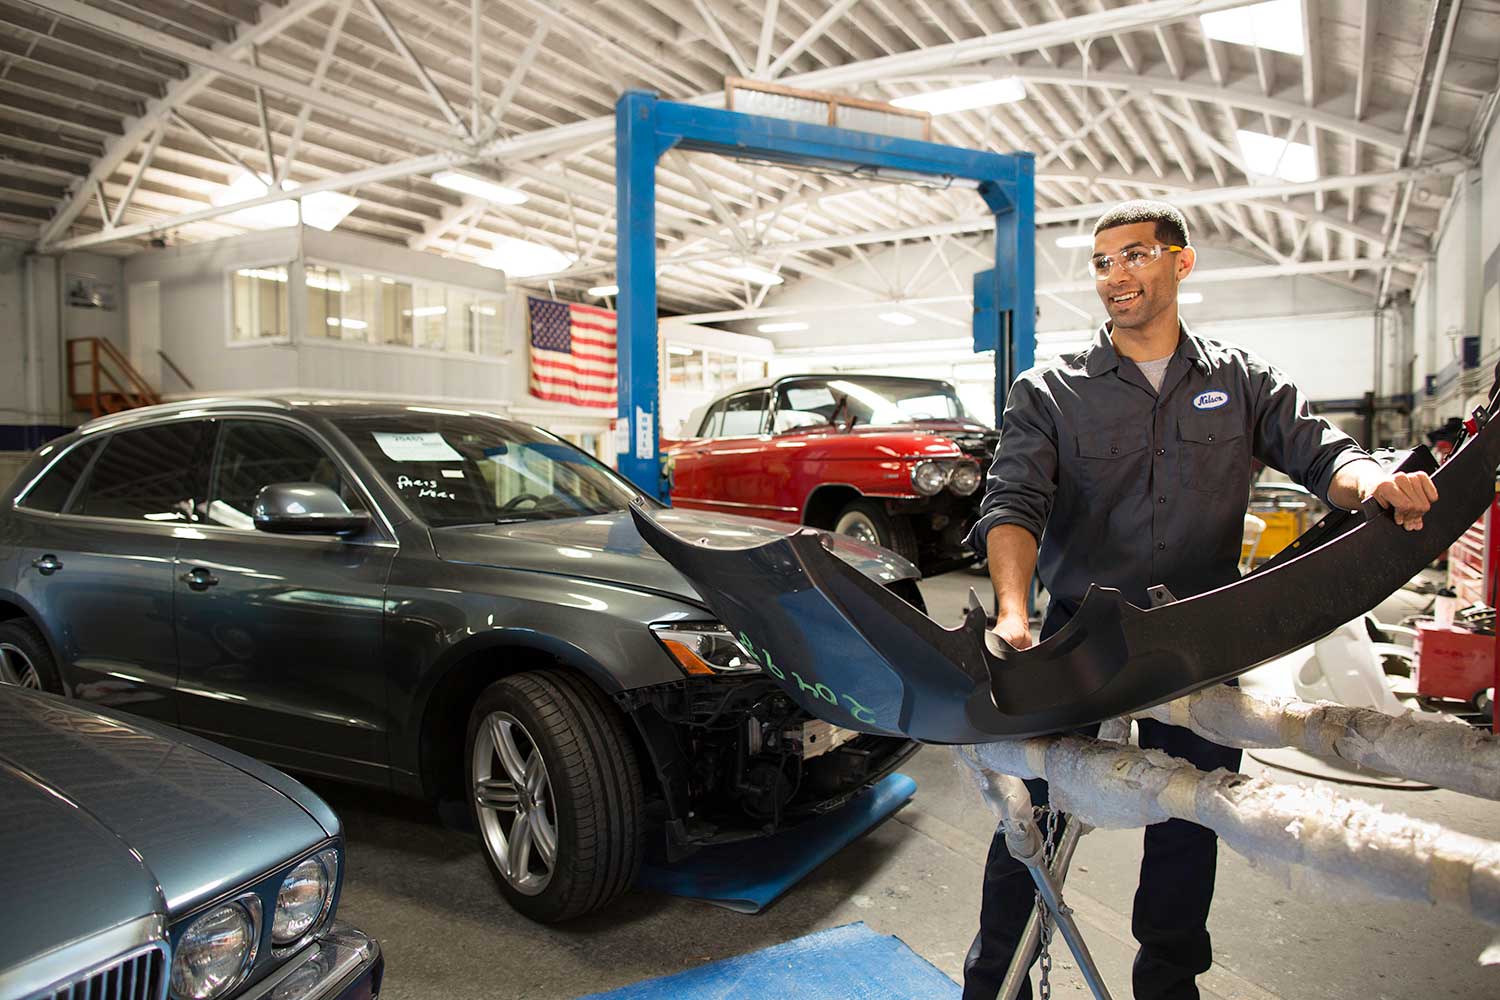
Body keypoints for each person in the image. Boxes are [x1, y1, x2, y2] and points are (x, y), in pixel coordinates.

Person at [961, 199, 1438, 1000]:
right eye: (1103, 262)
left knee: (1191, 815)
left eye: (1136, 256)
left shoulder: (1242, 381)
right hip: (1083, 635)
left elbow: (1328, 459)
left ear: (1182, 263)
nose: (1116, 276)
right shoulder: (1050, 390)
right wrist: (1014, 613)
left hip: (1202, 638)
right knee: (1031, 806)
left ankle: (1169, 982)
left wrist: (1377, 481)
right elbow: (1012, 506)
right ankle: (989, 982)